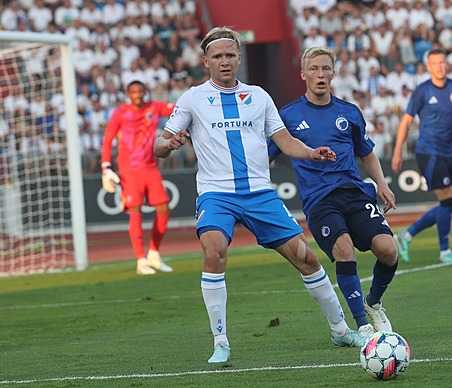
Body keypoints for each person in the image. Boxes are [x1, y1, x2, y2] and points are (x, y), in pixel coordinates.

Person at [153, 27, 366, 364]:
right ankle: (221, 341)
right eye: (218, 56)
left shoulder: (259, 96)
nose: (225, 61)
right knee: (214, 252)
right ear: (206, 60)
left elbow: (283, 141)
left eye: (230, 55)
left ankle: (340, 330)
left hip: (259, 194)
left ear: (239, 58)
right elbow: (159, 145)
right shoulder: (192, 98)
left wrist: (310, 153)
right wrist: (171, 143)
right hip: (216, 194)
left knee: (307, 259)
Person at [268, 47, 398, 338]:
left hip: (354, 192)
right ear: (303, 74)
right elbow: (268, 157)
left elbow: (366, 153)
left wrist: (382, 183)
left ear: (334, 73)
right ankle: (362, 326)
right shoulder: (287, 116)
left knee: (389, 251)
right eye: (313, 69)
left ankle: (373, 303)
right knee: (344, 249)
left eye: (326, 68)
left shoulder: (349, 112)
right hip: (319, 200)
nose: (320, 74)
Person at [391, 49, 452, 265]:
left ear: (446, 64)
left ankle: (407, 235)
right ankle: (444, 252)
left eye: (442, 62)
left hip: (446, 152)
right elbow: (406, 122)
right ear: (429, 67)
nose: (440, 66)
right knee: (447, 200)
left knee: (450, 204)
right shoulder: (422, 91)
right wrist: (397, 152)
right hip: (428, 152)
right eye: (435, 63)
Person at [101, 80, 175, 275]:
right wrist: (106, 168)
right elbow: (108, 139)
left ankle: (153, 254)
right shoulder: (120, 113)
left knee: (164, 209)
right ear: (128, 95)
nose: (138, 95)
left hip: (150, 168)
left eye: (140, 91)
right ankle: (140, 261)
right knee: (135, 212)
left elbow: (179, 109)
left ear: (145, 92)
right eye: (133, 92)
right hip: (129, 169)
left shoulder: (155, 108)